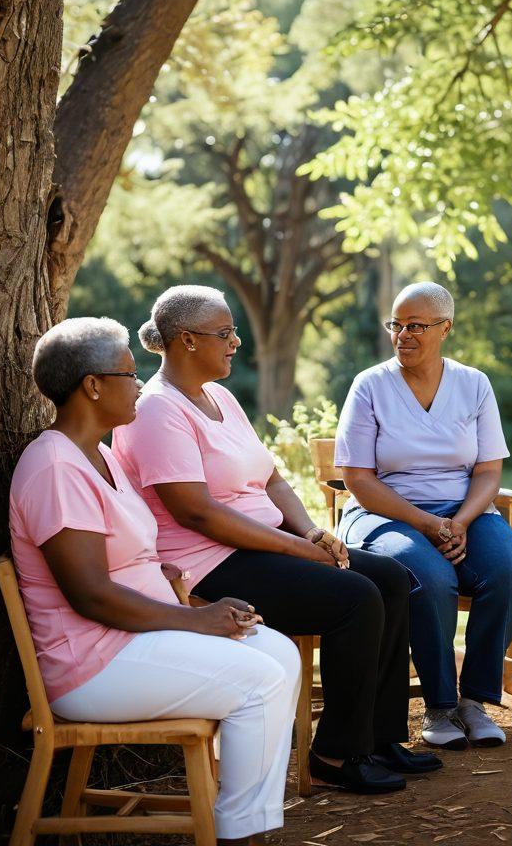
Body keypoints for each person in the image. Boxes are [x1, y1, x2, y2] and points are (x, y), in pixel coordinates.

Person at [112, 286, 436, 795]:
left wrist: (311, 532)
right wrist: (295, 548)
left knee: (392, 578)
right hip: (211, 562)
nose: (236, 342)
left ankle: (379, 738)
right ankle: (335, 754)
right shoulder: (157, 410)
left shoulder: (219, 396)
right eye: (224, 333)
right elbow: (195, 512)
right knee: (355, 598)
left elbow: (272, 478)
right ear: (186, 341)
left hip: (265, 542)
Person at [10, 317, 300, 845]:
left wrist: (165, 578)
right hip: (92, 665)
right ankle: (240, 834)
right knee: (260, 682)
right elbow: (90, 594)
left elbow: (120, 554)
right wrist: (196, 620)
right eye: (128, 371)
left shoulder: (99, 453)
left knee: (280, 653)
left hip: (134, 639)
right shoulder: (56, 466)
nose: (141, 381)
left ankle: (244, 822)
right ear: (93, 386)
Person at [335, 282, 512, 750]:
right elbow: (358, 479)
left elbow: (488, 472)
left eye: (416, 326)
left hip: (462, 512)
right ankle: (440, 705)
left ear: (445, 328)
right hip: (384, 512)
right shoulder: (370, 385)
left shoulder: (474, 384)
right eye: (396, 325)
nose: (403, 334)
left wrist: (461, 521)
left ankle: (475, 701)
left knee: (510, 571)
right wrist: (426, 525)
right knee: (428, 573)